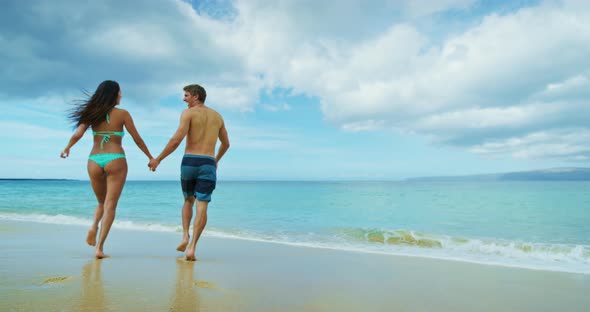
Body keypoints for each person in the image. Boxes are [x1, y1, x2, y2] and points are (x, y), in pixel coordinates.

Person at [61, 80, 154, 259]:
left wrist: (67, 147)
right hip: (116, 159)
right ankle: (99, 248)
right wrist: (150, 157)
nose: (121, 95)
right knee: (110, 205)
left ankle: (93, 226)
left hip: (94, 160)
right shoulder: (123, 114)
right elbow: (138, 139)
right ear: (113, 94)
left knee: (101, 202)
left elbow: (78, 133)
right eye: (120, 92)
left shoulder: (91, 113)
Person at [148, 84, 230, 261]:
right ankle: (192, 247)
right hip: (208, 162)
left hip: (190, 161)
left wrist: (158, 159)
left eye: (186, 96)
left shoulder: (188, 114)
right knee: (203, 205)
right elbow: (226, 144)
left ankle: (185, 236)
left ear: (196, 96)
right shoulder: (218, 117)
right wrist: (216, 160)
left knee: (187, 200)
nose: (184, 99)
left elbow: (176, 139)